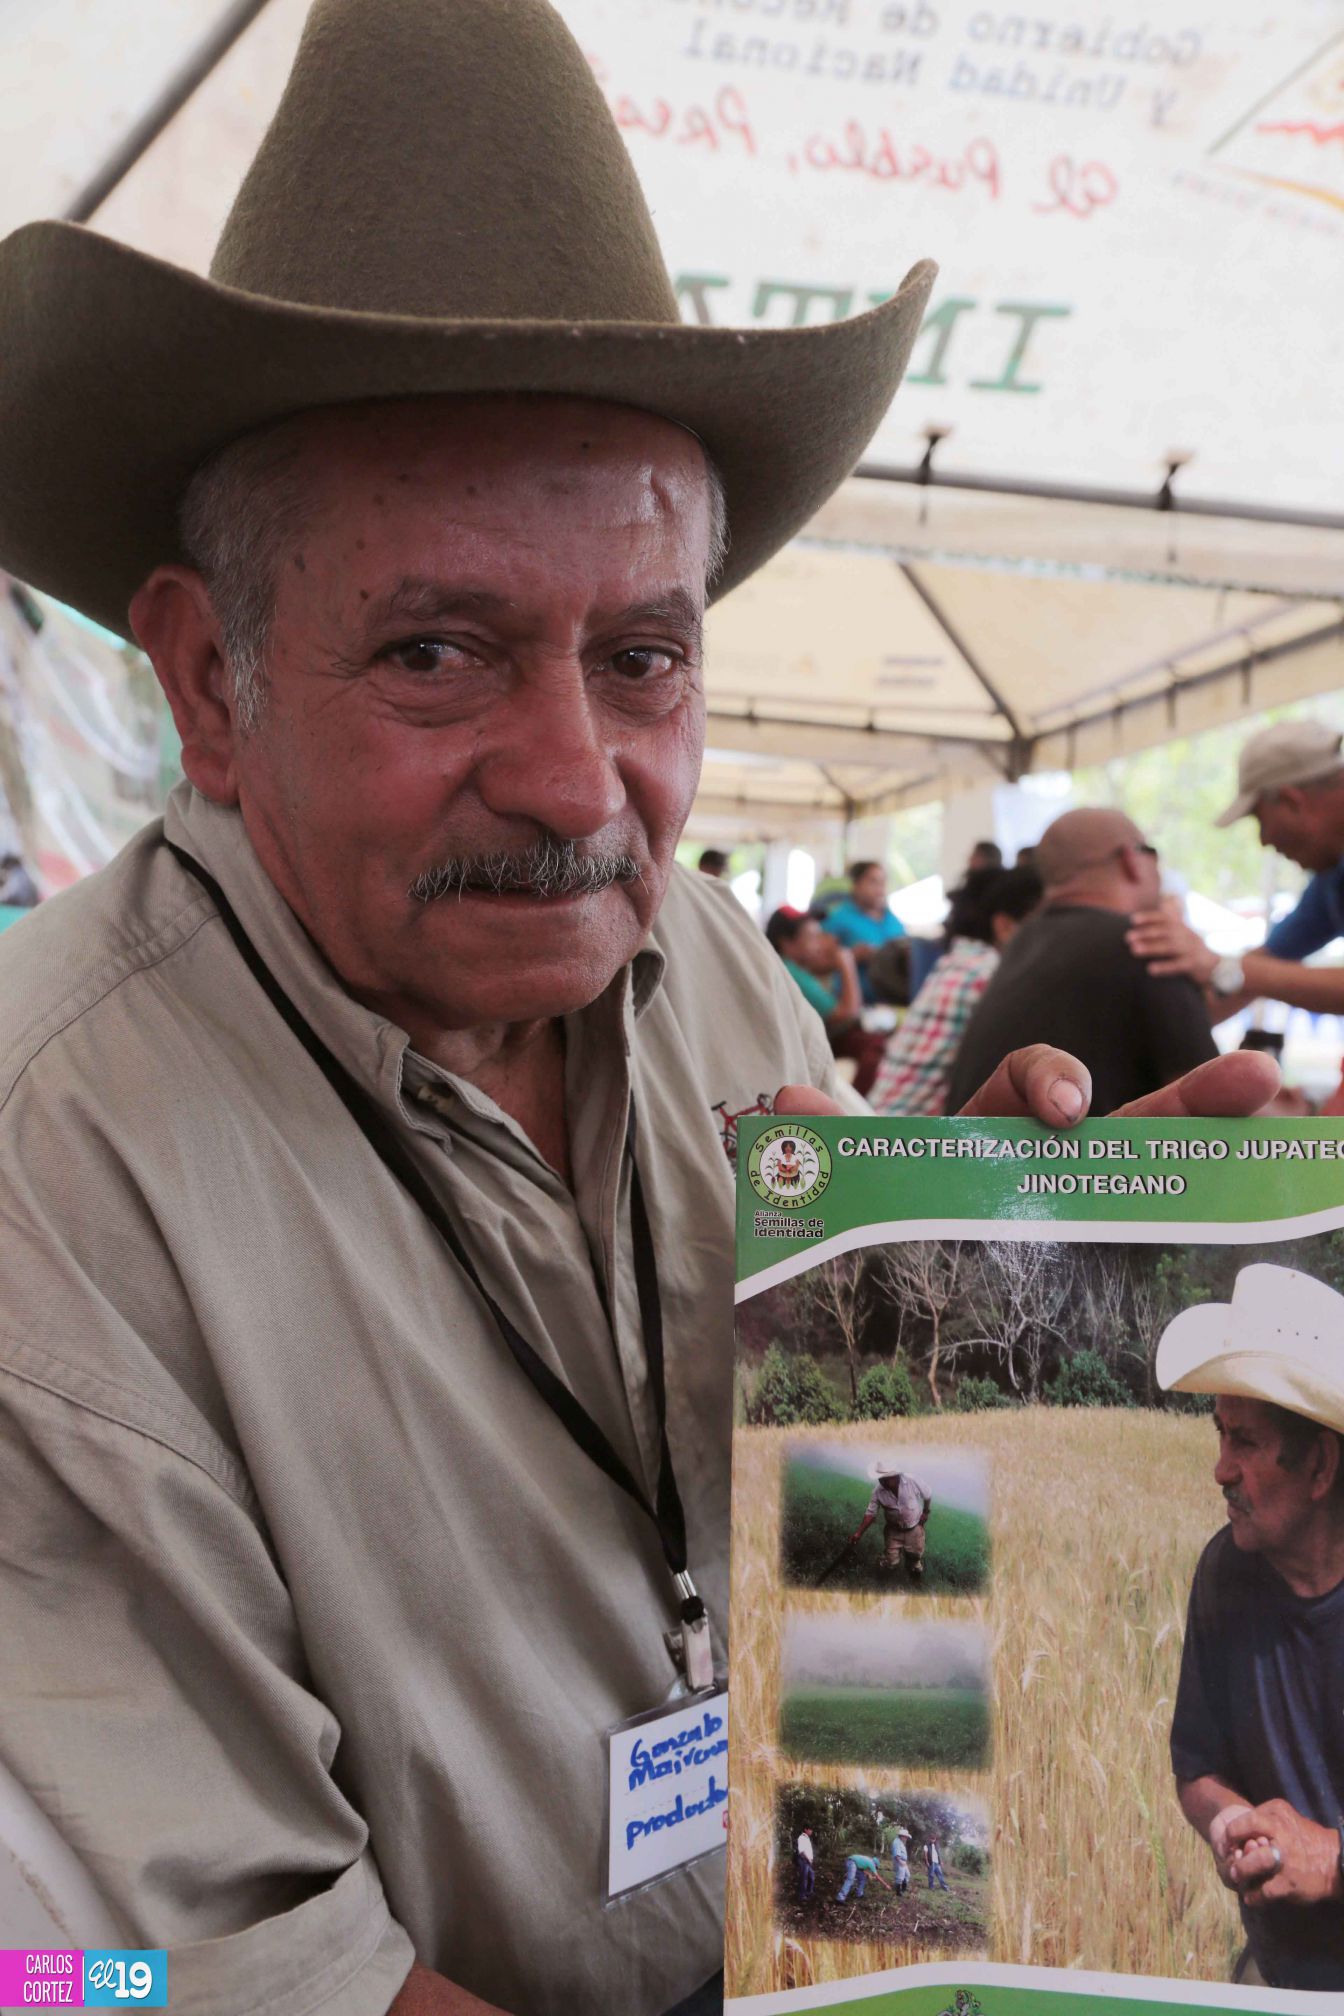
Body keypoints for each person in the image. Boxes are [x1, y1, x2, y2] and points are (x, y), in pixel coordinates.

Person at [0, 0, 1279, 2009]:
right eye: (438, 651)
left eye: (644, 656)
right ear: (207, 686)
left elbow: (863, 1535)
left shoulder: (703, 968)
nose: (581, 783)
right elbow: (228, 1980)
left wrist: (1040, 1282)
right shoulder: (46, 1171)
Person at [1158, 1264, 1344, 1993]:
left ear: (1321, 1465)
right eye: (1219, 1434)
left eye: (1245, 1442)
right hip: (1277, 1975)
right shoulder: (1224, 1577)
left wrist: (1330, 1864)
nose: (1219, 1470)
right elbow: (1196, 1766)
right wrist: (1228, 1821)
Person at [947, 809, 1219, 1117]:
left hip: (975, 1158)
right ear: (1131, 860)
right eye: (1152, 853)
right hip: (1092, 1166)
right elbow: (1214, 1108)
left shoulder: (1023, 942)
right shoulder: (1147, 942)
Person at [1128, 720, 1344, 1025]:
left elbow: (1251, 973)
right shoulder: (1331, 880)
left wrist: (1222, 966)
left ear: (1291, 801)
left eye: (1259, 818)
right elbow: (1269, 962)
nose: (1264, 840)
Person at [869, 865, 1042, 1116]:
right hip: (912, 1138)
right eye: (1039, 923)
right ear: (1004, 926)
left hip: (881, 1124)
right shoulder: (987, 975)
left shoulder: (958, 961)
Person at [763, 907, 885, 1097]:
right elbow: (846, 1013)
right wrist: (847, 963)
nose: (820, 944)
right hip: (807, 1048)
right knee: (874, 1047)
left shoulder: (785, 966)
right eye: (812, 937)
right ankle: (860, 1108)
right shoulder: (791, 972)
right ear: (787, 943)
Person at [823, 860, 907, 1003]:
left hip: (893, 1003)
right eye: (873, 882)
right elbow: (821, 963)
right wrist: (852, 956)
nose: (880, 889)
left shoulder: (894, 920)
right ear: (855, 884)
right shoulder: (839, 918)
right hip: (856, 1005)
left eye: (883, 882)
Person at [850, 1457, 932, 1581]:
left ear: (896, 1475)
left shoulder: (912, 1481)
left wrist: (925, 1512)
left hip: (914, 1529)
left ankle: (915, 1582)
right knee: (891, 1561)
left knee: (914, 1559)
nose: (884, 1482)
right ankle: (880, 1578)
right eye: (881, 1479)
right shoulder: (878, 1492)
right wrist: (858, 1533)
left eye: (887, 1478)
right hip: (893, 1531)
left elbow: (928, 1494)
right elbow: (871, 1514)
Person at [795, 1827, 815, 1903]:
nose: (811, 1831)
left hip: (808, 1861)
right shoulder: (802, 1838)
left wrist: (810, 1859)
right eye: (810, 1829)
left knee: (811, 1876)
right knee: (804, 1878)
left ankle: (809, 1892)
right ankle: (801, 1896)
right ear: (805, 1829)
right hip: (804, 1860)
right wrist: (808, 1859)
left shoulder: (807, 1838)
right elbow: (802, 1851)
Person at [890, 1828, 912, 1895]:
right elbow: (897, 1854)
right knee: (900, 1877)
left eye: (907, 1837)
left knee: (907, 1875)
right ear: (902, 1836)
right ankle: (898, 1892)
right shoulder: (896, 1842)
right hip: (899, 1861)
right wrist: (900, 1861)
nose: (906, 1838)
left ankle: (903, 1888)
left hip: (903, 1861)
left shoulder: (901, 1842)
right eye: (906, 1837)